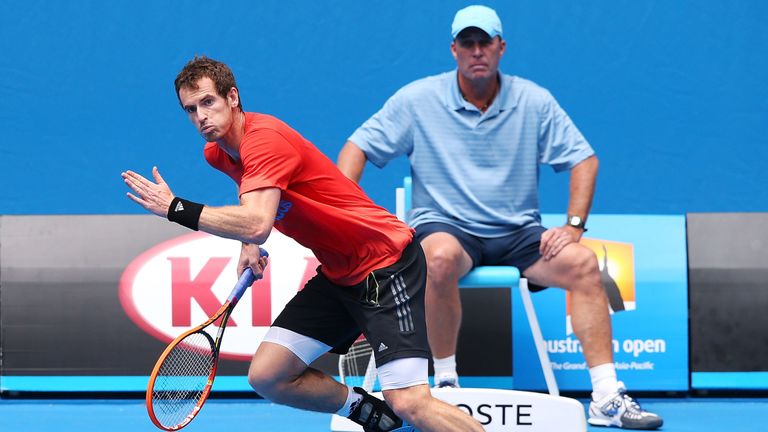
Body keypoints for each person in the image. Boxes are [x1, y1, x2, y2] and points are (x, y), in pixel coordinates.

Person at [337, 5, 662, 430]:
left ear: (500, 47)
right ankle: (448, 387)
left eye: (484, 42)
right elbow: (356, 148)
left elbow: (584, 160)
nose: (477, 51)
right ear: (454, 49)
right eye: (467, 43)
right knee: (437, 257)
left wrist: (574, 226)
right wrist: (348, 217)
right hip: (447, 225)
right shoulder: (417, 100)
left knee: (583, 264)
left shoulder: (533, 100)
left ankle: (606, 396)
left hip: (518, 231)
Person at [121, 56, 484, 432]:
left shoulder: (266, 140)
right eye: (190, 109)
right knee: (269, 375)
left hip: (384, 264)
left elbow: (259, 222)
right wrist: (246, 244)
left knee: (411, 401)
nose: (200, 117)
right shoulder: (218, 152)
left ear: (233, 97)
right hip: (340, 273)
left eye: (208, 102)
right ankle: (374, 416)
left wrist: (175, 208)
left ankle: (401, 413)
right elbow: (252, 199)